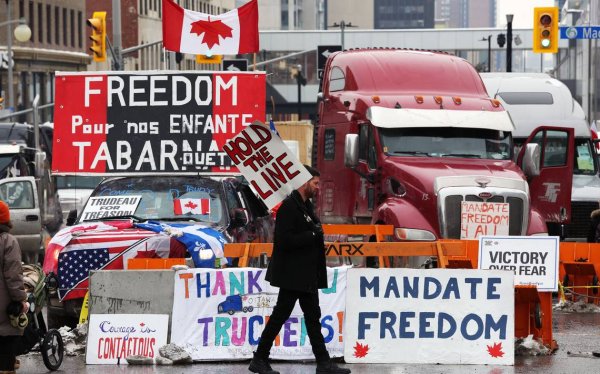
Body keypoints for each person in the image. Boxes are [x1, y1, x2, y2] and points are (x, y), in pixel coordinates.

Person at [249, 166, 350, 374]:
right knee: (281, 315)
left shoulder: (305, 205)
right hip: (293, 275)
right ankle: (259, 358)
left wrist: (314, 234)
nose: (318, 187)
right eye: (315, 183)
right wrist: (312, 235)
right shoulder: (289, 207)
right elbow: (284, 241)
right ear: (304, 182)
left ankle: (323, 363)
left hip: (306, 274)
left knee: (313, 317)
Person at [0, 200, 29, 374]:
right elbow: (13, 276)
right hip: (3, 308)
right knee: (6, 348)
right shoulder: (8, 242)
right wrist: (21, 299)